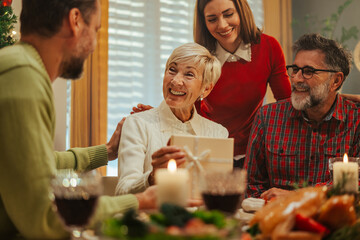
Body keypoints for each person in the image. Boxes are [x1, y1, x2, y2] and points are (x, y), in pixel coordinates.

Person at [0, 0, 156, 238]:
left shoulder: (18, 66)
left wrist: (106, 151)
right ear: (75, 21)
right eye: (95, 30)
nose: (93, 45)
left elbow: (40, 164)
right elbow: (47, 219)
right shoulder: (23, 78)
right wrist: (140, 201)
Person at [244, 33, 360, 199]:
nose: (296, 79)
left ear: (336, 81)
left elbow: (357, 187)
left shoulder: (356, 120)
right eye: (295, 69)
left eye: (308, 72)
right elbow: (251, 186)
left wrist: (299, 197)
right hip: (279, 219)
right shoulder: (267, 117)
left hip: (336, 221)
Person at [116, 43, 228, 195]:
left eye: (189, 74)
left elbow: (218, 196)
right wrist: (151, 178)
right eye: (172, 70)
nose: (175, 81)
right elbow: (122, 192)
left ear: (206, 89)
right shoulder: (137, 124)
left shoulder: (218, 134)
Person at [193, 0, 292, 167]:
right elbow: (189, 108)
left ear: (241, 11)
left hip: (256, 150)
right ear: (204, 23)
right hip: (210, 149)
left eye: (228, 14)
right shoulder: (199, 56)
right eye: (212, 19)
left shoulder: (268, 46)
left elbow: (286, 103)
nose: (222, 25)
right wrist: (161, 115)